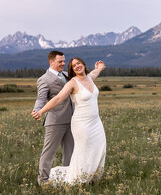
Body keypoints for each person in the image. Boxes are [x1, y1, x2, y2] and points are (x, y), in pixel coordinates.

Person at [31, 57, 106, 185]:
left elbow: (94, 73)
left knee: (99, 149)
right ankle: (78, 179)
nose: (77, 66)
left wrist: (99, 67)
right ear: (72, 70)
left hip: (96, 123)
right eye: (74, 66)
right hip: (82, 124)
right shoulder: (72, 83)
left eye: (79, 63)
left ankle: (92, 177)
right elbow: (58, 98)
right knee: (84, 151)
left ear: (83, 64)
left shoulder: (89, 78)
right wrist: (41, 111)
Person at [33, 50, 74, 185]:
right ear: (51, 62)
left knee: (70, 151)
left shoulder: (68, 76)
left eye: (64, 61)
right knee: (49, 153)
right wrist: (37, 110)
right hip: (55, 121)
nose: (63, 64)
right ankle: (43, 181)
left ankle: (68, 178)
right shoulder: (44, 79)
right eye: (60, 61)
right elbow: (41, 98)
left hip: (72, 120)